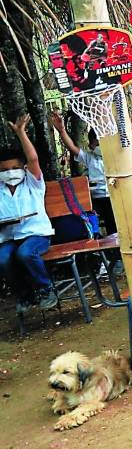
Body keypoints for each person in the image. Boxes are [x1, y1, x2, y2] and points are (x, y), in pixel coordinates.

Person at [0, 115, 57, 311]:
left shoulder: (32, 183)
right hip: (8, 238)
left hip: (37, 234)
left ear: (23, 169)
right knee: (3, 258)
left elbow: (33, 159)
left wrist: (21, 132)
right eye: (5, 170)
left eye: (15, 168)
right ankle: (25, 295)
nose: (10, 172)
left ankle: (46, 288)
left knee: (26, 253)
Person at [49, 111, 114, 236]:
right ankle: (94, 234)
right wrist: (62, 130)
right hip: (95, 197)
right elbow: (72, 148)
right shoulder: (89, 157)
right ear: (90, 145)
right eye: (97, 144)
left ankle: (114, 241)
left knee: (112, 217)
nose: (101, 147)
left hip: (113, 196)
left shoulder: (116, 158)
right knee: (88, 211)